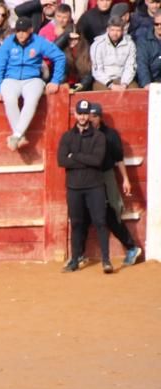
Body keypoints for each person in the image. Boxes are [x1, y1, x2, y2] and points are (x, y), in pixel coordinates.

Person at [0, 21, 63, 151]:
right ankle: (20, 136)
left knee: (31, 101)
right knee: (10, 100)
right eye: (18, 31)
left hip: (33, 78)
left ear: (30, 30)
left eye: (24, 31)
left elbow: (59, 57)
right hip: (11, 78)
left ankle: (16, 135)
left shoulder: (39, 41)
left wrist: (55, 80)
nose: (21, 34)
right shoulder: (8, 43)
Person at [57, 97, 112, 272]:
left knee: (100, 221)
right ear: (75, 114)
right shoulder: (67, 136)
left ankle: (106, 260)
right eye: (79, 113)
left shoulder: (99, 136)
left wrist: (76, 156)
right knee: (77, 223)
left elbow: (97, 161)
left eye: (85, 114)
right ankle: (75, 260)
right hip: (74, 187)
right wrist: (81, 160)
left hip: (94, 186)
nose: (82, 117)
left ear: (89, 115)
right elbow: (61, 160)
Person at [93, 106, 144, 267]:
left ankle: (131, 247)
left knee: (112, 213)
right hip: (88, 178)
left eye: (94, 116)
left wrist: (126, 180)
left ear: (100, 117)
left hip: (106, 175)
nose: (90, 119)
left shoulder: (110, 134)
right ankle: (79, 255)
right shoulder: (83, 133)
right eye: (88, 116)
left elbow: (119, 159)